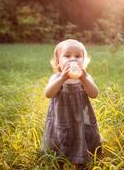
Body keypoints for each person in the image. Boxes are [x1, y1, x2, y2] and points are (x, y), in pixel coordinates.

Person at [42, 39, 102, 169]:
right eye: (67, 56)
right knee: (59, 142)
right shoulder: (56, 77)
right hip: (61, 119)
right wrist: (63, 78)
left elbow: (94, 94)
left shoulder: (85, 78)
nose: (73, 60)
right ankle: (59, 163)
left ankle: (80, 163)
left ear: (84, 60)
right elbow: (48, 94)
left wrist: (85, 79)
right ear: (58, 61)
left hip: (81, 119)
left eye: (78, 56)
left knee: (80, 140)